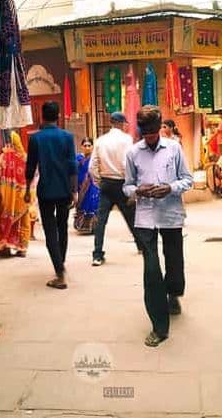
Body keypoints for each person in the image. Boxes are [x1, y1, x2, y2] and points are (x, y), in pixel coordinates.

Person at [123, 105, 193, 347]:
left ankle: (174, 293)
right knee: (151, 269)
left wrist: (170, 188)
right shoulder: (133, 153)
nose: (150, 137)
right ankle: (159, 326)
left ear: (160, 127)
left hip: (171, 214)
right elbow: (127, 186)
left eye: (153, 132)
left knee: (174, 261)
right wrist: (137, 190)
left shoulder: (174, 149)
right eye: (145, 133)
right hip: (145, 217)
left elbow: (188, 179)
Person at [25, 101, 77, 289]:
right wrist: (74, 190)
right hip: (64, 190)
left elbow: (30, 167)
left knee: (50, 231)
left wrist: (26, 189)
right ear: (59, 116)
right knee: (62, 227)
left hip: (46, 191)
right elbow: (72, 165)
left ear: (42, 116)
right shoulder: (67, 137)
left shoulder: (36, 139)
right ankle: (60, 264)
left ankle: (59, 272)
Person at [89, 112, 139, 266]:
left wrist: (99, 181)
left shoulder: (100, 140)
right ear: (122, 123)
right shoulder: (127, 140)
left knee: (101, 220)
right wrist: (131, 185)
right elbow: (128, 164)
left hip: (106, 183)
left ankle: (97, 255)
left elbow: (92, 166)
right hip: (122, 182)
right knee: (131, 216)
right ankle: (142, 246)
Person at [0, 132, 31, 257]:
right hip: (23, 197)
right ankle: (22, 248)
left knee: (4, 219)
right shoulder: (25, 158)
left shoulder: (3, 157)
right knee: (23, 221)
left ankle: (4, 246)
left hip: (6, 196)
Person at [74, 137, 100, 234]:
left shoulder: (94, 158)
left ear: (92, 146)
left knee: (92, 203)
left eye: (89, 145)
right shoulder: (78, 158)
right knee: (81, 203)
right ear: (81, 146)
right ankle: (81, 225)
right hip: (81, 185)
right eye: (85, 145)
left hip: (92, 184)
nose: (87, 147)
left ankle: (93, 227)